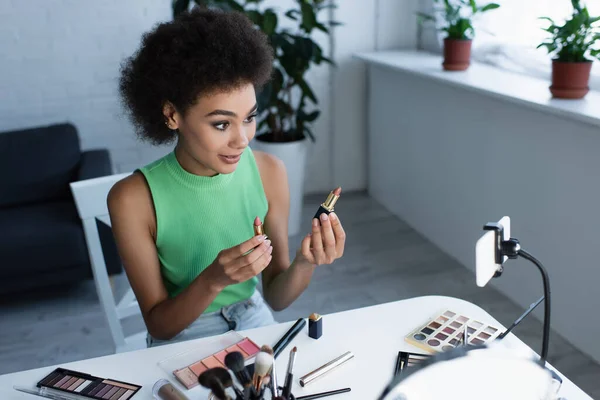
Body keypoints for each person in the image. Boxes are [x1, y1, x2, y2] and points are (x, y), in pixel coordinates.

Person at [108, 7, 346, 347]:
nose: (242, 139)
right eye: (221, 124)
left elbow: (276, 297)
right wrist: (213, 280)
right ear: (172, 114)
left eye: (249, 118)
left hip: (254, 317)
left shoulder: (269, 172)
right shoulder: (132, 199)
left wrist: (305, 262)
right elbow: (160, 326)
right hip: (184, 335)